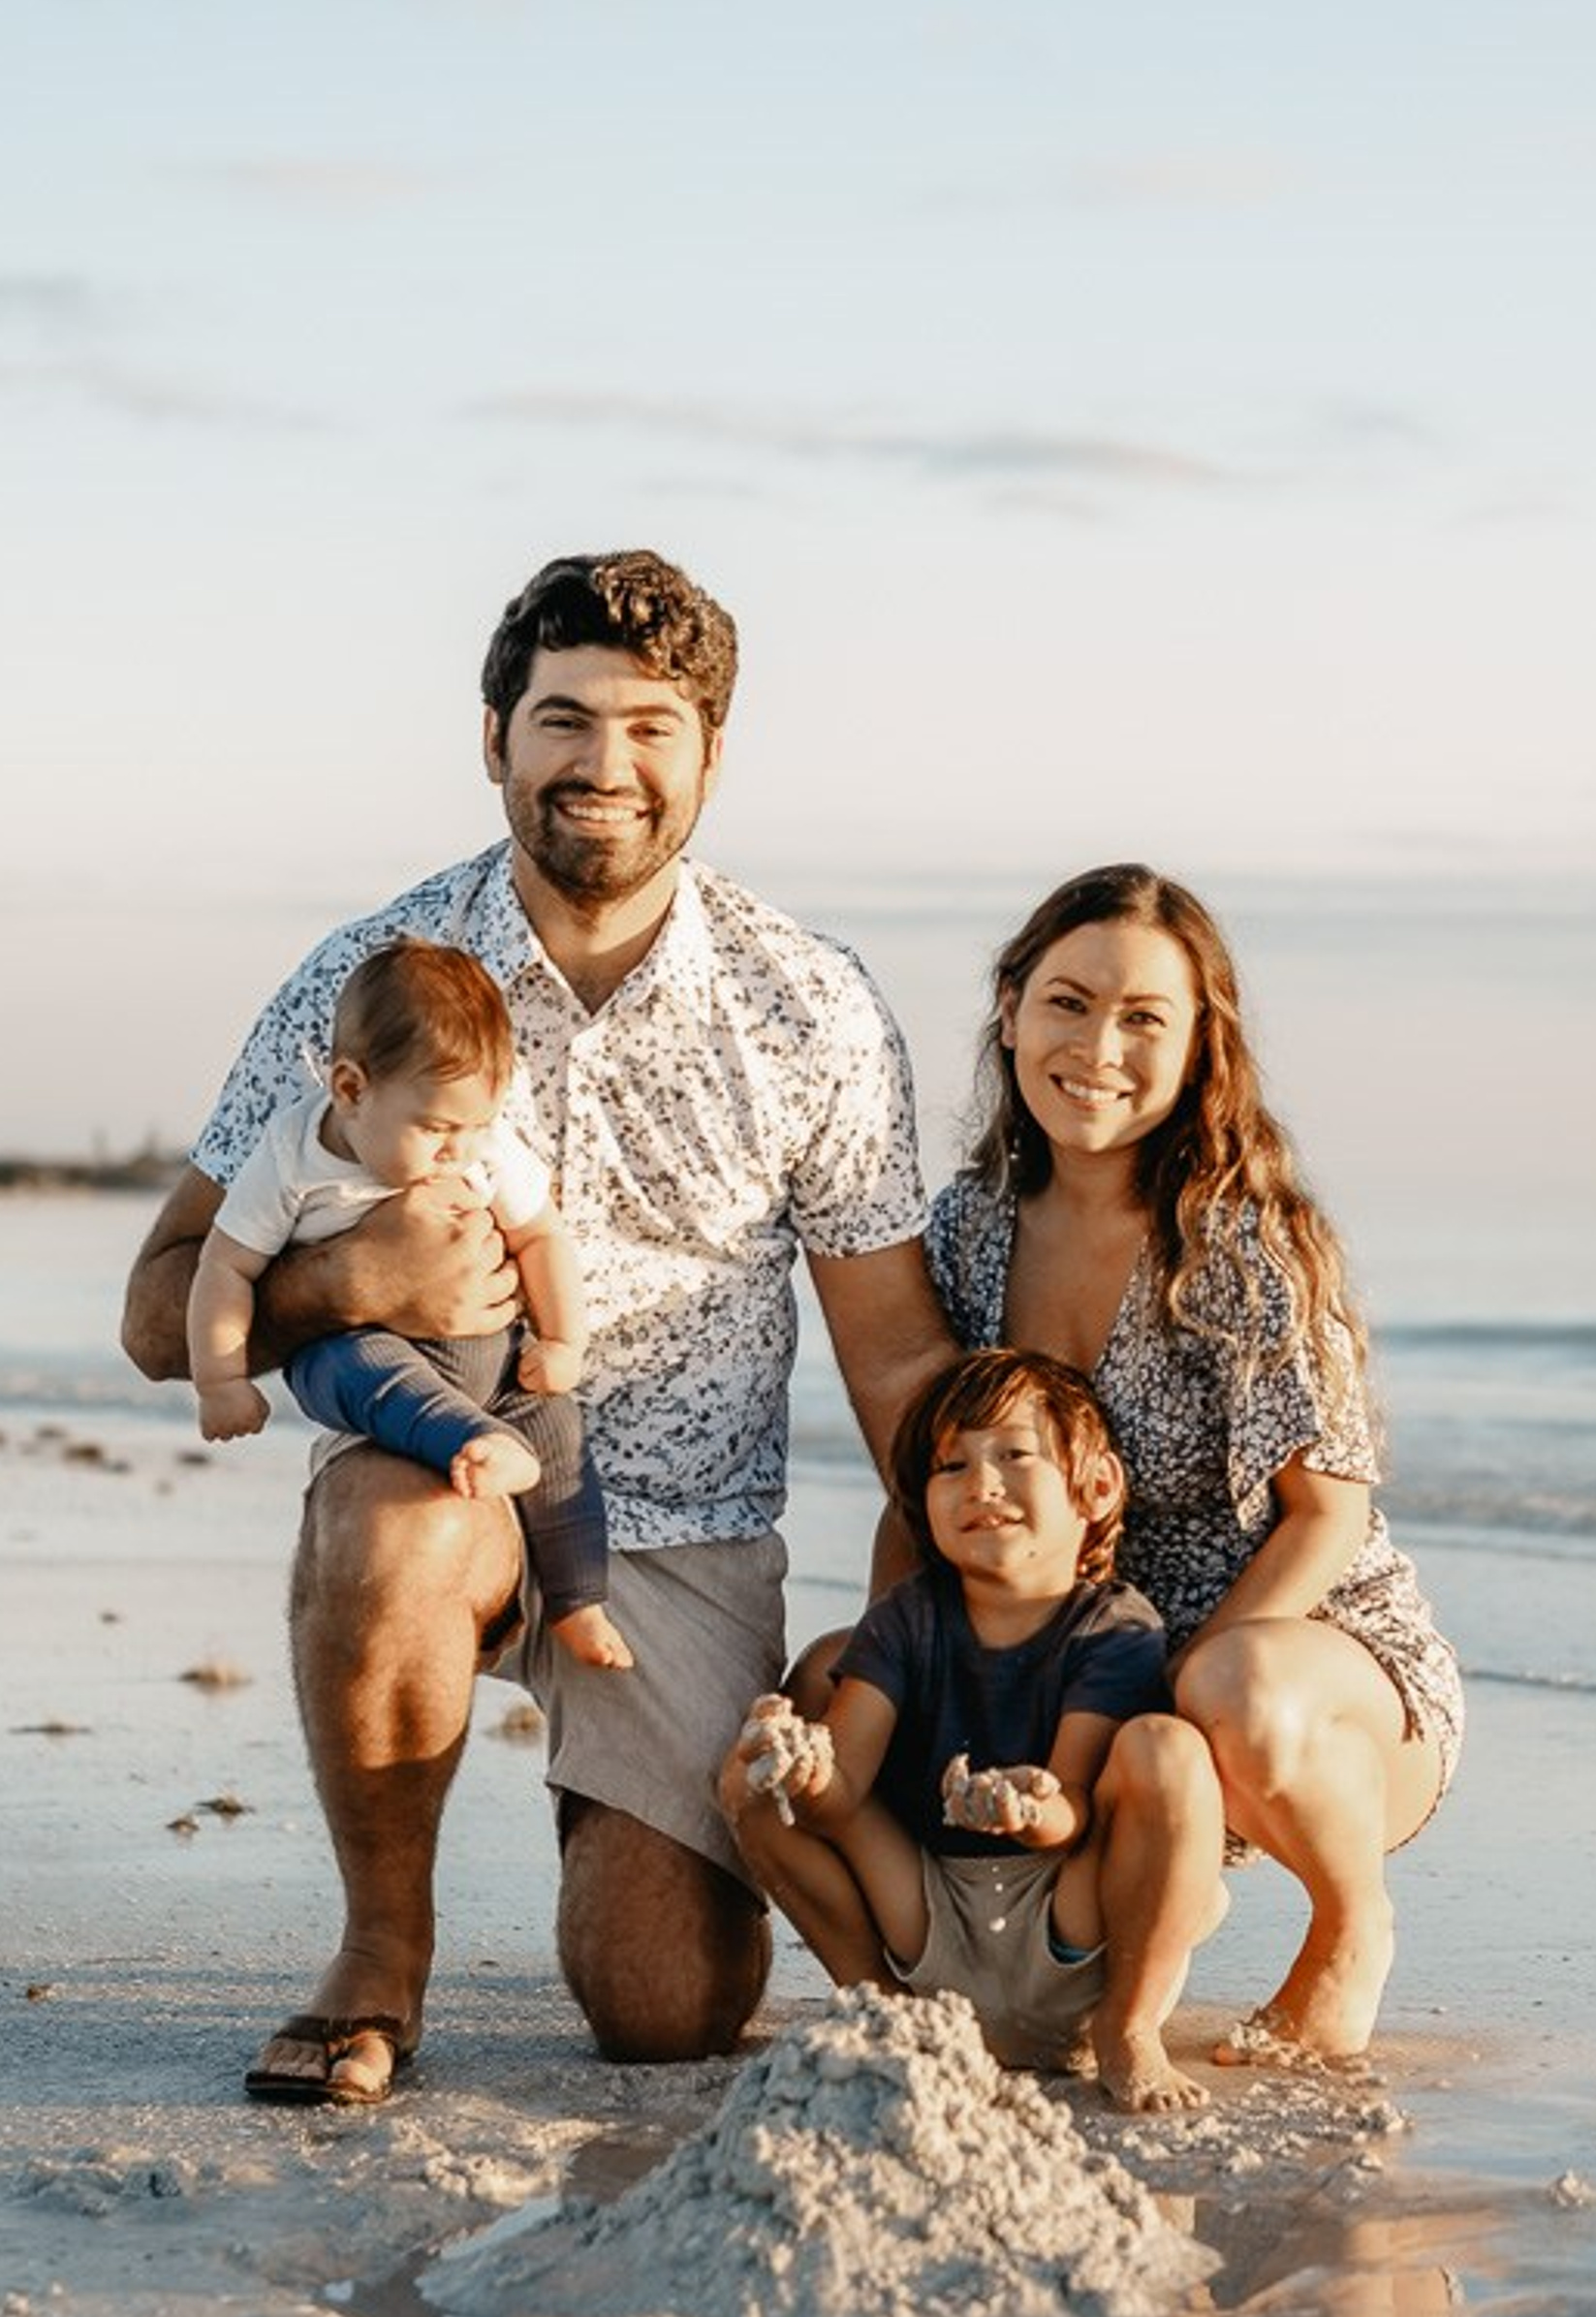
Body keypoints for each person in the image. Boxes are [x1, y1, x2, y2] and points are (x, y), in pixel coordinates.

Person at [122, 549, 953, 2106]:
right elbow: (159, 1313)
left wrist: (983, 1609)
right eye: (564, 719)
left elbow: (897, 1357)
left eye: (652, 727)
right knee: (391, 1522)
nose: (605, 765)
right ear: (494, 734)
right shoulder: (369, 980)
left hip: (685, 1534)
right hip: (444, 1479)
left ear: (712, 755)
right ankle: (382, 1953)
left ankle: (613, 1795)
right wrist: (355, 1288)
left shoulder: (813, 1005)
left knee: (665, 2009)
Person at [917, 862, 1464, 2060]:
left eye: (1143, 1018)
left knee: (1234, 1693)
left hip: (1313, 1673)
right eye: (1068, 1002)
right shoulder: (970, 1228)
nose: (1097, 1046)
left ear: (1198, 1045)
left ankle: (1350, 1923)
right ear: (1009, 1010)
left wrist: (1175, 1678)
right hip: (1102, 1670)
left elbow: (1327, 1517)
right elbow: (960, 1477)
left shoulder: (1237, 1239)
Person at [720, 1348, 1225, 2111]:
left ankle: (1128, 2026)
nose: (981, 1484)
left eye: (1014, 1454)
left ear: (1096, 1487)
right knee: (748, 1778)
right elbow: (840, 1796)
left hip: (1069, 1924)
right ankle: (884, 2008)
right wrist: (807, 1767)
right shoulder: (908, 1618)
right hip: (928, 1916)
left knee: (1169, 1751)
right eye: (950, 1466)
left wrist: (1029, 1810)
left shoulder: (1112, 1629)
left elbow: (1076, 1813)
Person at [188, 937, 631, 1675]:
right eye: (436, 1129)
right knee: (367, 1368)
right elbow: (225, 1264)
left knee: (560, 1432)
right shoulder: (294, 1158)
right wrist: (221, 1380)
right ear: (352, 1089)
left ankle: (580, 1600)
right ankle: (466, 1442)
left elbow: (541, 1234)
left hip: (493, 1362)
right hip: (359, 1350)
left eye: (477, 1126)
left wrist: (563, 1341)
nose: (461, 1151)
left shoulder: (483, 1146)